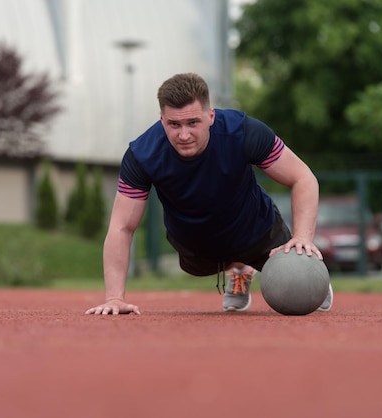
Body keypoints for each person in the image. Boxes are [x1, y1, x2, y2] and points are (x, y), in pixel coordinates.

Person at [85, 73, 332, 315]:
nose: (184, 135)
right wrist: (114, 297)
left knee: (300, 278)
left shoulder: (243, 132)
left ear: (211, 116)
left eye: (193, 123)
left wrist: (303, 238)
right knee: (196, 265)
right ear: (162, 120)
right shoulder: (142, 154)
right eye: (174, 124)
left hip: (258, 231)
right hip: (197, 245)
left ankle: (299, 271)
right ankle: (239, 268)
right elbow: (121, 226)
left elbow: (303, 178)